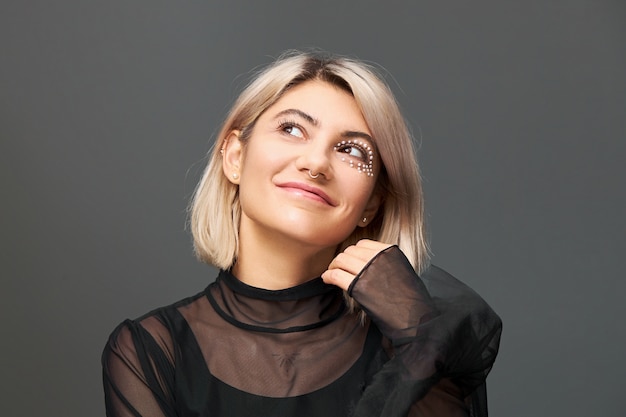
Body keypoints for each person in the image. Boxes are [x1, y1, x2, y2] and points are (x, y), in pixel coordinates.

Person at [102, 51, 502, 417]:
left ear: (371, 206)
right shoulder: (151, 351)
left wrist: (423, 345)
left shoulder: (417, 349)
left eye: (352, 151)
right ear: (235, 157)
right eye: (292, 129)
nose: (315, 163)